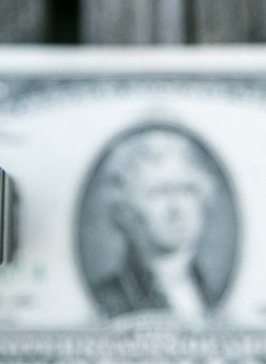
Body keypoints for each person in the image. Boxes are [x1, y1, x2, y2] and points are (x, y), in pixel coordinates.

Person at [92, 130, 218, 319]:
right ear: (126, 211)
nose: (176, 207)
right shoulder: (108, 300)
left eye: (187, 190)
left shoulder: (208, 292)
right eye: (159, 193)